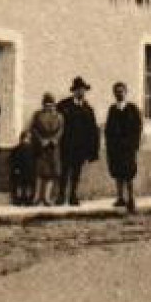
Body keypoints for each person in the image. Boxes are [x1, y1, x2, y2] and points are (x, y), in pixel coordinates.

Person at [57, 75, 100, 206]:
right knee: (64, 171)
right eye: (78, 89)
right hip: (66, 144)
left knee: (76, 172)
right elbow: (57, 123)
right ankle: (61, 196)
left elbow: (93, 130)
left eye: (83, 90)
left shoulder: (88, 109)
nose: (81, 92)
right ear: (74, 91)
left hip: (80, 147)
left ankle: (73, 196)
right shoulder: (64, 105)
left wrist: (93, 150)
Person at [103, 80, 144, 212]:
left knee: (129, 173)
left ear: (126, 92)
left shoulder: (132, 109)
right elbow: (108, 129)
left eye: (121, 92)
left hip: (128, 147)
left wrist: (134, 144)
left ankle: (131, 198)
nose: (119, 94)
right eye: (116, 92)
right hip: (115, 147)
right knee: (117, 172)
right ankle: (120, 197)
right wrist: (109, 145)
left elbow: (138, 127)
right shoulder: (112, 109)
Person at [28, 93, 64, 206]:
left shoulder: (59, 116)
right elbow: (33, 129)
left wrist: (54, 139)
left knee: (52, 173)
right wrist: (41, 140)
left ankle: (47, 198)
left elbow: (61, 130)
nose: (49, 107)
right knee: (40, 172)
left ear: (54, 105)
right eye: (46, 105)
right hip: (41, 147)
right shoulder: (37, 115)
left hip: (53, 147)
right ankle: (37, 197)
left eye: (51, 105)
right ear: (43, 105)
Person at [9, 131, 37, 206]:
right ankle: (19, 199)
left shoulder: (32, 149)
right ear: (21, 139)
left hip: (29, 170)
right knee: (20, 185)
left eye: (28, 139)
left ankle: (27, 199)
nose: (26, 141)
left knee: (27, 185)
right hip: (21, 170)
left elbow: (34, 160)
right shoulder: (17, 149)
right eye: (25, 138)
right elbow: (15, 160)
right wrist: (16, 168)